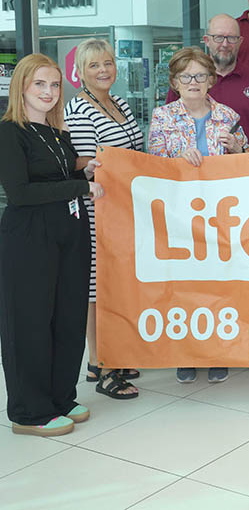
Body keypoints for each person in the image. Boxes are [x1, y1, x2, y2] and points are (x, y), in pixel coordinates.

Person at [0, 54, 103, 436]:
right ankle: (29, 411)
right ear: (22, 87)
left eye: (55, 85)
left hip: (68, 232)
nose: (48, 92)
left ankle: (61, 397)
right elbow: (21, 192)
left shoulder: (59, 134)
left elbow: (58, 171)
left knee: (68, 318)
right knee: (30, 323)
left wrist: (85, 167)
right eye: (40, 84)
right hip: (29, 237)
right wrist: (82, 184)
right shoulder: (10, 132)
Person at [148, 47, 249, 385]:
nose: (193, 82)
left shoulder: (228, 115)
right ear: (175, 82)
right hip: (181, 216)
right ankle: (187, 352)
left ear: (211, 80)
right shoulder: (162, 117)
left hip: (221, 215)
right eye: (186, 76)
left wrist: (236, 148)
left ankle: (218, 351)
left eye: (200, 75)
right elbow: (153, 167)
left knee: (220, 284)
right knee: (185, 285)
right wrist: (178, 159)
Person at [64, 38, 142, 400]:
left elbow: (136, 152)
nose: (104, 70)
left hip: (127, 207)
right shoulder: (79, 109)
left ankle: (115, 353)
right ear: (80, 71)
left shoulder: (121, 103)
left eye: (108, 63)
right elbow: (82, 163)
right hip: (99, 209)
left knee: (118, 282)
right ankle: (100, 361)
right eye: (95, 65)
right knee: (98, 289)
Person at [167, 14, 249, 152]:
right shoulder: (187, 83)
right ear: (207, 40)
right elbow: (167, 132)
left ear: (240, 42)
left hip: (246, 169)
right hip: (195, 170)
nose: (225, 44)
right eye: (219, 37)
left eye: (232, 38)